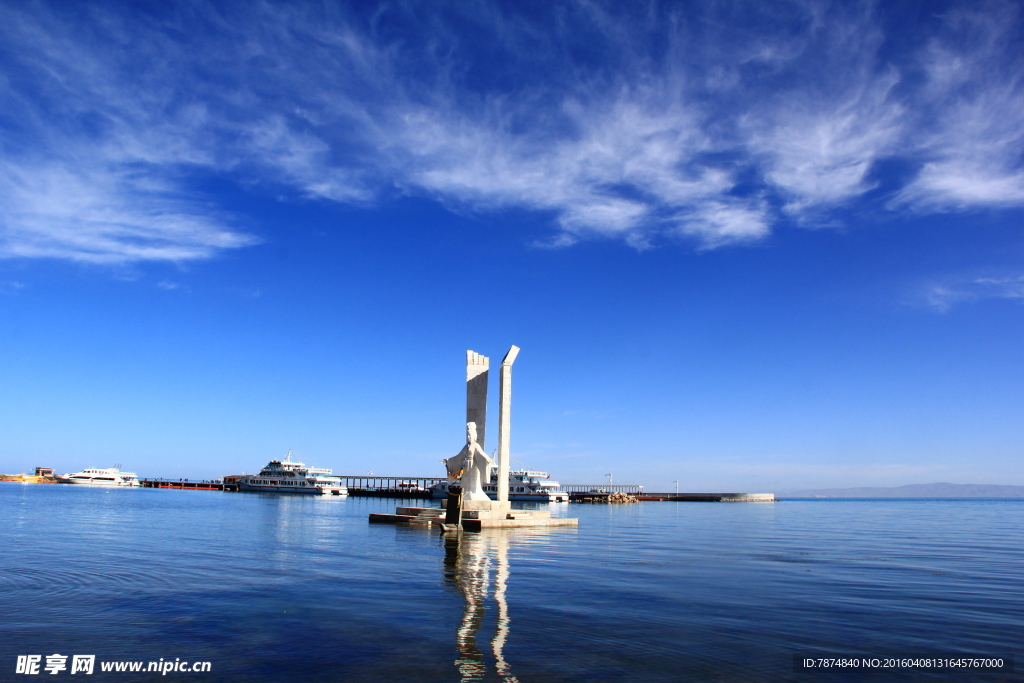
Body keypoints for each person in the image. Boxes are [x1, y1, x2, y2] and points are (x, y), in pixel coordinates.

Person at [445, 422, 492, 501]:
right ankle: (465, 493)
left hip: (473, 465)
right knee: (465, 480)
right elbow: (459, 456)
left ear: (474, 436)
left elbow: (481, 453)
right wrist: (449, 461)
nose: (469, 437)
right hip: (465, 466)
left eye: (470, 435)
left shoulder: (476, 445)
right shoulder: (466, 446)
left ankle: (473, 493)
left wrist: (487, 459)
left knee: (473, 480)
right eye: (468, 435)